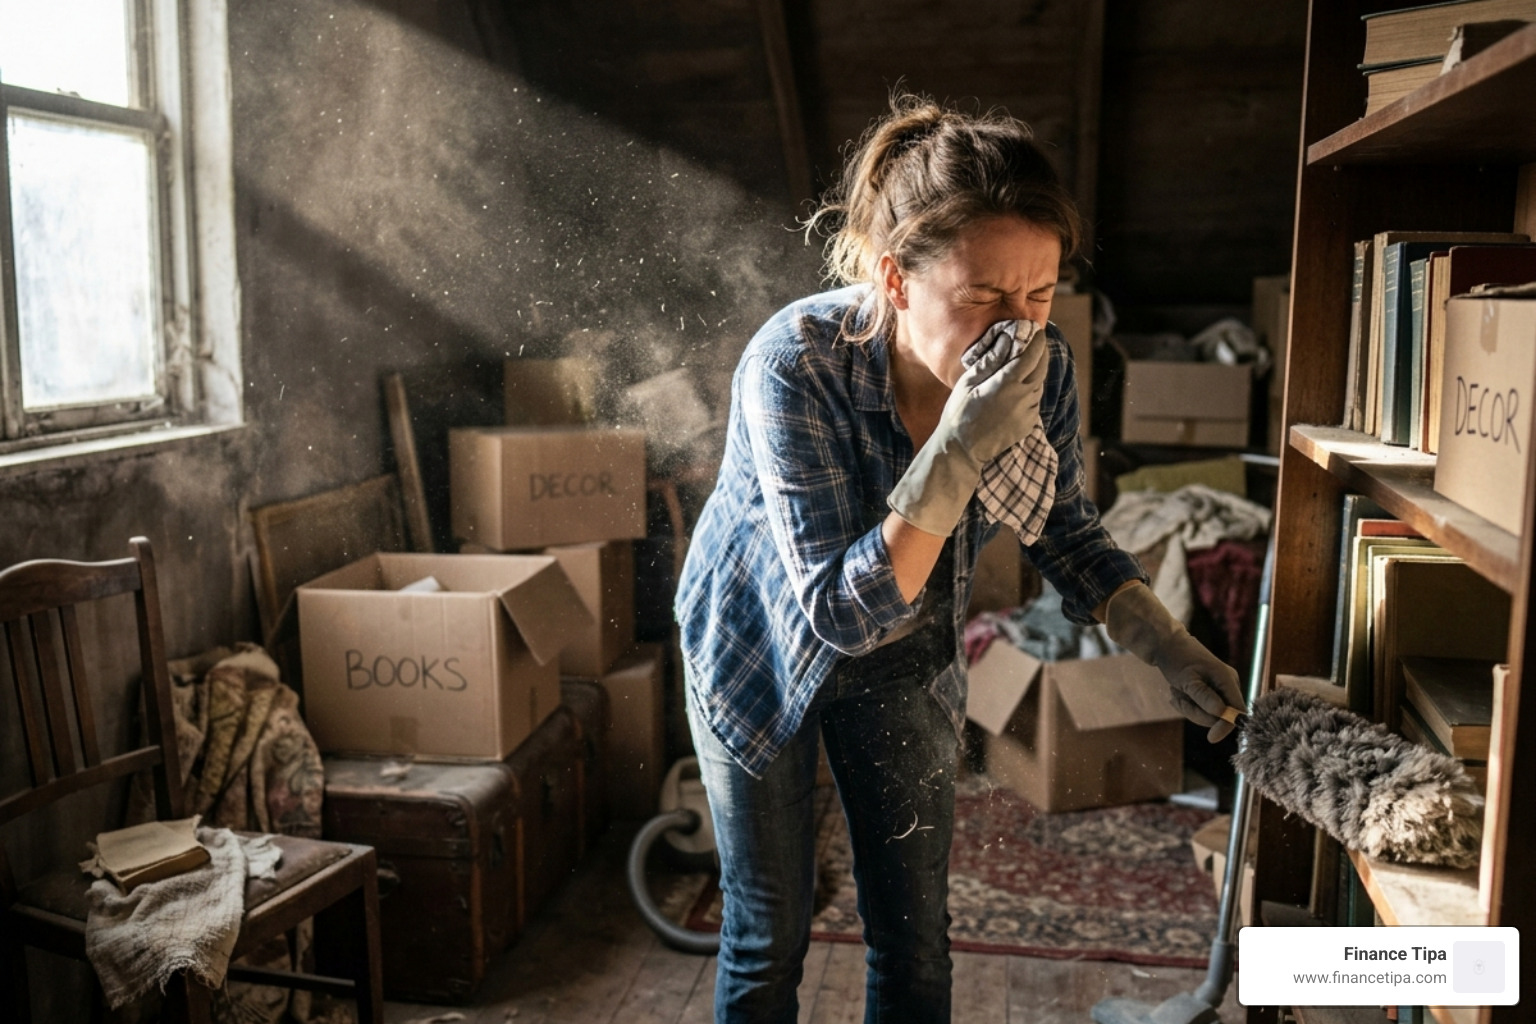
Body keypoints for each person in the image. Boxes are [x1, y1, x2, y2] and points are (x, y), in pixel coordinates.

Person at [673, 93, 1246, 1024]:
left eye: (1038, 294)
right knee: (766, 931)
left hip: (901, 662)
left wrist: (1165, 643)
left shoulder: (1043, 367)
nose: (1014, 329)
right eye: (980, 297)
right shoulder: (794, 363)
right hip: (758, 651)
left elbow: (1061, 525)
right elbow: (841, 610)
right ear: (896, 281)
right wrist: (956, 448)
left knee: (913, 937)